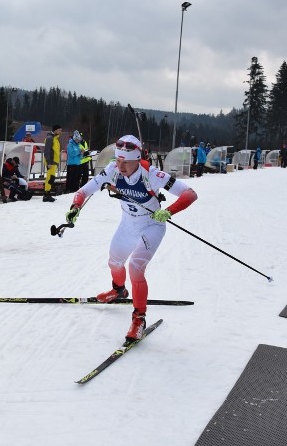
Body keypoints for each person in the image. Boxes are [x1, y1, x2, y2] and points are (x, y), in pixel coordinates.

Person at [64, 135, 197, 343]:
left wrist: (168, 211)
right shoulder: (112, 170)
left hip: (152, 225)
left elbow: (190, 194)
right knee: (114, 262)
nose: (121, 165)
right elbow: (83, 191)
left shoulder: (152, 175)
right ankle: (119, 290)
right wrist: (75, 208)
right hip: (127, 225)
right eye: (118, 160)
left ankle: (139, 319)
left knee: (136, 267)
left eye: (126, 161)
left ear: (137, 159)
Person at [43, 125, 62, 202]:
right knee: (50, 178)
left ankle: (48, 194)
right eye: (60, 130)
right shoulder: (50, 138)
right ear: (55, 130)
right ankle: (46, 195)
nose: (61, 132)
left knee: (51, 178)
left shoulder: (55, 138)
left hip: (54, 162)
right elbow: (46, 151)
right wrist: (48, 162)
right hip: (51, 162)